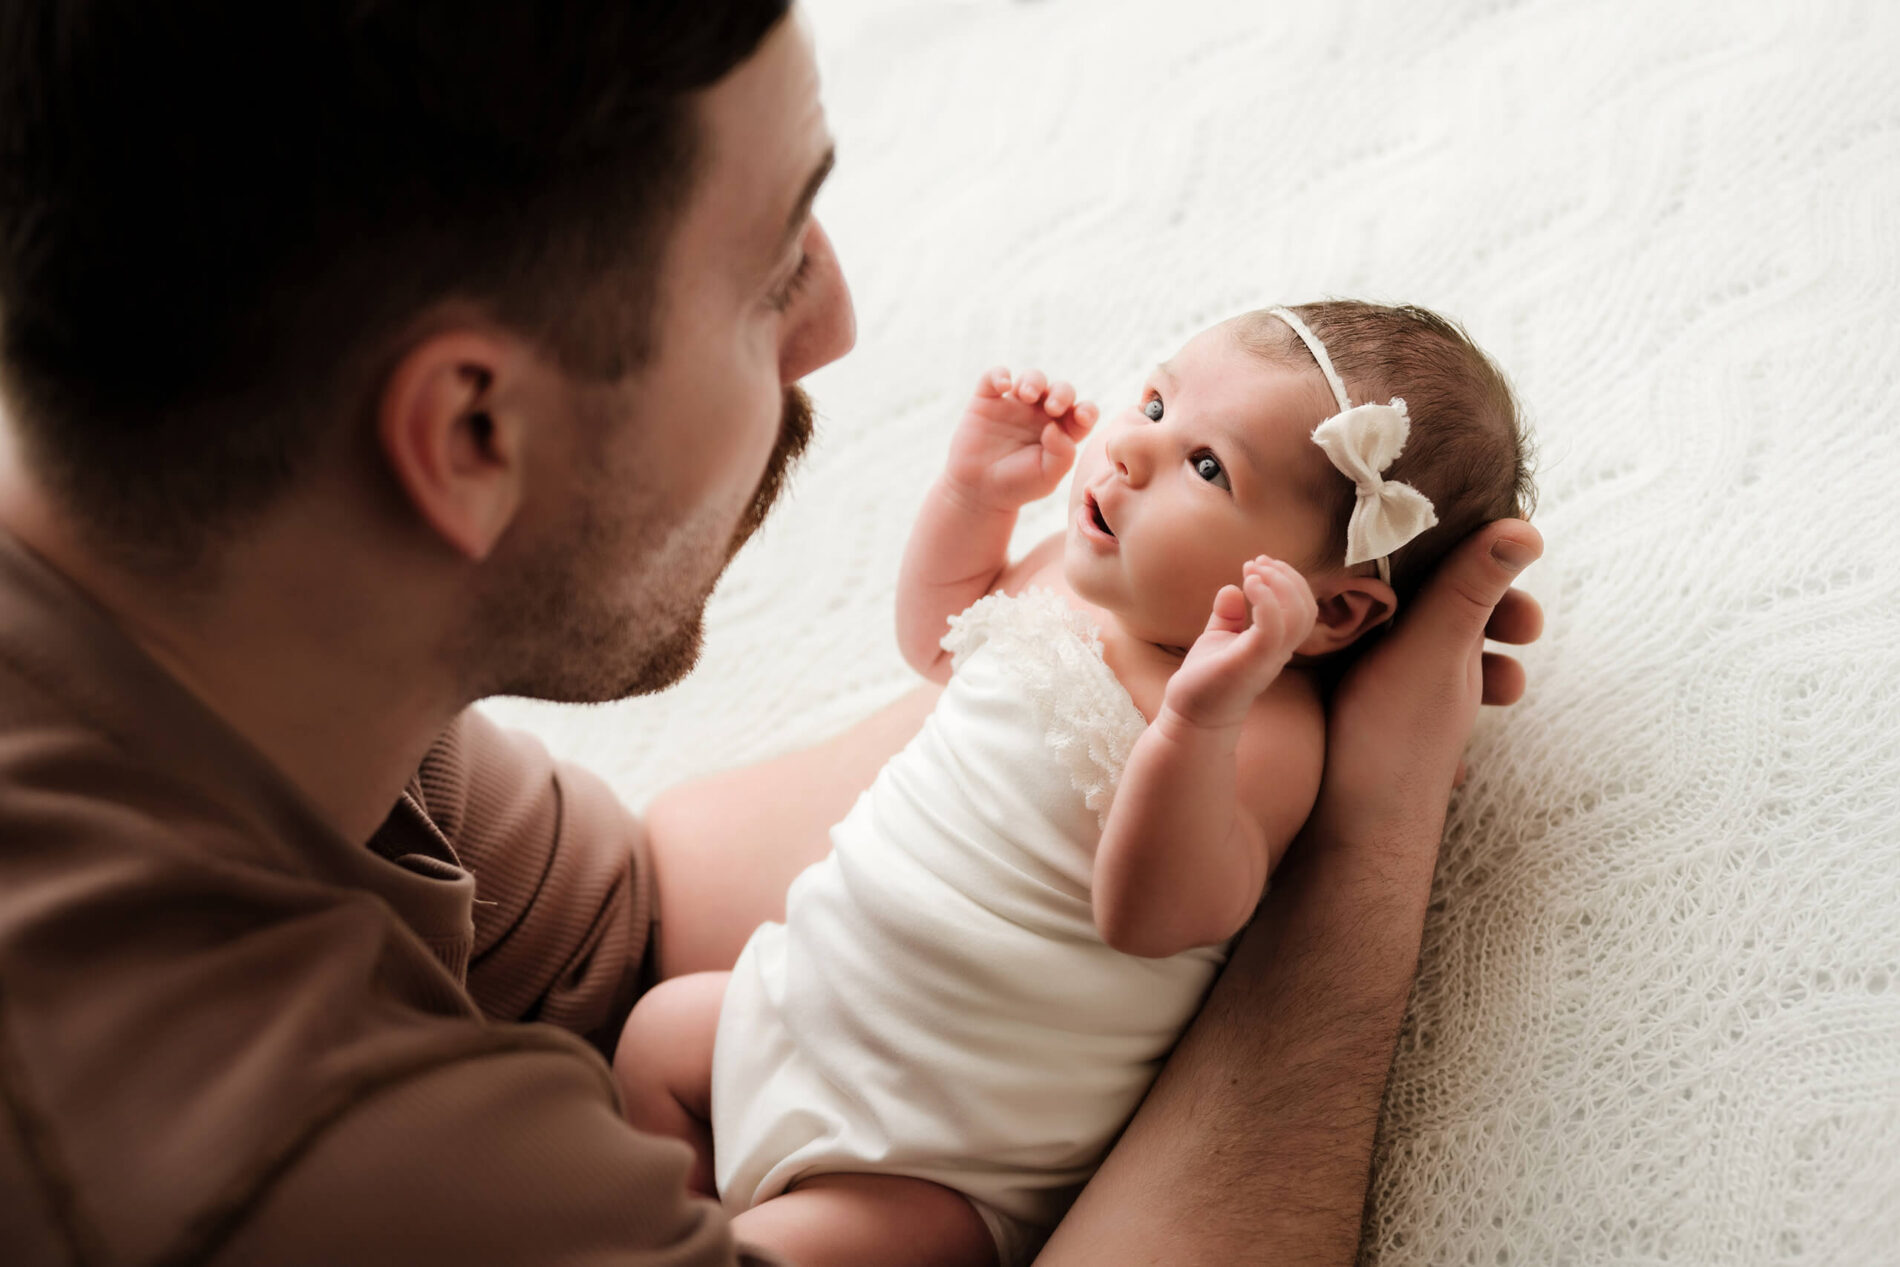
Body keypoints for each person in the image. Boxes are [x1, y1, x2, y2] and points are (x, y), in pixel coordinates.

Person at [0, 3, 1543, 1265]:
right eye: (772, 266)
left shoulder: (232, 672)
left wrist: (1145, 648)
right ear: (469, 430)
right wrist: (1368, 831)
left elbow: (635, 915)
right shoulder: (303, 1166)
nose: (839, 323)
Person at [613, 302, 1536, 1266]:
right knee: (653, 1037)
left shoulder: (1268, 738)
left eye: (1208, 465)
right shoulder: (1064, 569)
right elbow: (937, 641)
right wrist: (972, 497)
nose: (1129, 453)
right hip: (792, 996)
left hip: (930, 1155)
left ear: (1332, 611)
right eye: (1152, 402)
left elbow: (1155, 913)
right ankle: (656, 1223)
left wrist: (1195, 721)